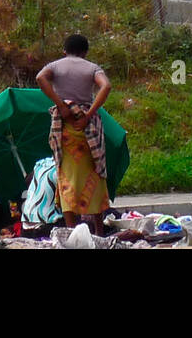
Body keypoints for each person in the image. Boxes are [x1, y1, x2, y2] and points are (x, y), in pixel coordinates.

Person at [35, 33, 112, 235]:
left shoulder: (55, 66)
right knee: (95, 173)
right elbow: (106, 86)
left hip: (65, 127)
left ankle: (71, 231)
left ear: (64, 51)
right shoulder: (92, 68)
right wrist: (89, 114)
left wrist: (61, 105)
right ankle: (99, 231)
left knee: (67, 176)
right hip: (88, 129)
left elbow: (40, 78)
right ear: (85, 52)